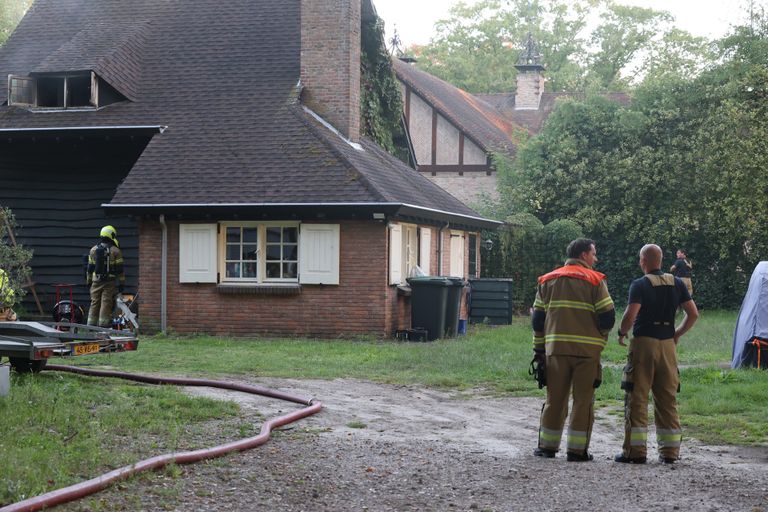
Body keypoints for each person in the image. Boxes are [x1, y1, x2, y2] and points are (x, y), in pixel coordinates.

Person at [532, 238, 615, 461]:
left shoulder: (547, 280)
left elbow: (537, 320)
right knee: (583, 402)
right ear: (583, 255)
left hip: (556, 350)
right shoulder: (596, 281)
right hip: (587, 353)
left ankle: (547, 448)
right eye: (594, 254)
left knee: (555, 400)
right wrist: (600, 339)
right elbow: (608, 317)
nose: (596, 259)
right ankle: (577, 451)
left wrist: (539, 349)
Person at [615, 244, 698, 464]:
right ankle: (670, 453)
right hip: (667, 345)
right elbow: (693, 314)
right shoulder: (677, 282)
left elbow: (630, 315)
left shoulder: (640, 284)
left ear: (643, 260)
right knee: (667, 398)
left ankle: (635, 452)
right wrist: (677, 334)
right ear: (660, 260)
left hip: (644, 345)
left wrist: (622, 332)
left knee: (637, 397)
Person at [86, 225, 125, 327]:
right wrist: (121, 283)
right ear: (111, 235)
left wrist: (88, 281)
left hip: (96, 281)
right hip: (109, 282)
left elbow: (90, 268)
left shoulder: (93, 250)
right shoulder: (116, 251)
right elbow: (120, 270)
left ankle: (90, 325)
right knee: (106, 302)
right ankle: (103, 325)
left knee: (94, 302)